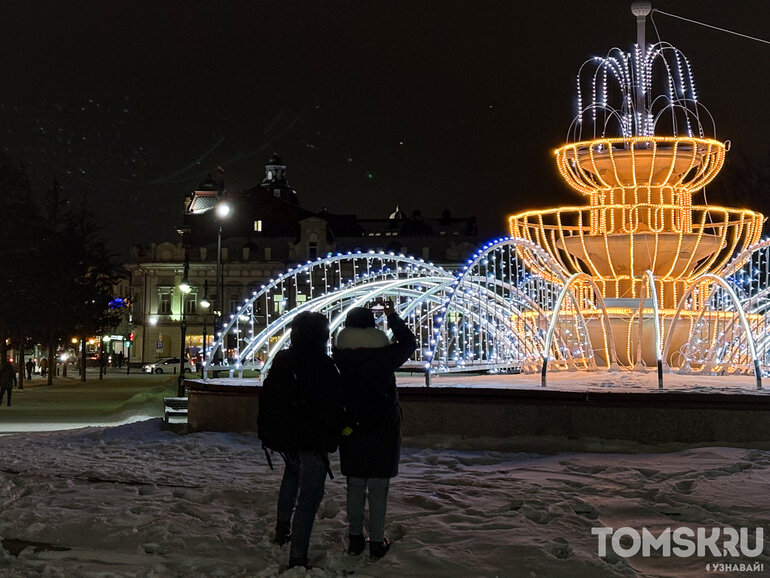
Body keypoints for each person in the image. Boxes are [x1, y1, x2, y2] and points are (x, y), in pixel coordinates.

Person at [333, 300, 417, 560]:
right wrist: (392, 316)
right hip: (382, 429)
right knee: (379, 487)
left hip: (352, 428)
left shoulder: (340, 355)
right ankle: (377, 542)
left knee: (355, 484)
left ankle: (356, 538)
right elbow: (409, 343)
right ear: (373, 328)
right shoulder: (384, 356)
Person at [263, 311, 343, 569]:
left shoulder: (284, 359)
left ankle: (281, 530)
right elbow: (332, 404)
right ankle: (298, 554)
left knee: (291, 478)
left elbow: (270, 395)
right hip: (313, 439)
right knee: (309, 496)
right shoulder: (324, 364)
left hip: (288, 438)